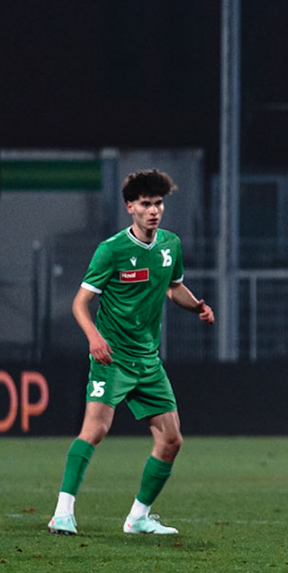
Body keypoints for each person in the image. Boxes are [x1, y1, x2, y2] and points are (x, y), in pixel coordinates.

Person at [47, 170, 215, 536]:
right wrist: (94, 338)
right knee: (95, 430)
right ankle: (62, 513)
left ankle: (138, 518)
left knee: (171, 441)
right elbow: (80, 303)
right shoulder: (111, 251)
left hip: (148, 361)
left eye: (158, 204)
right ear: (130, 207)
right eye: (145, 204)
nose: (153, 211)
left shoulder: (170, 245)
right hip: (113, 358)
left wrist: (197, 306)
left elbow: (174, 287)